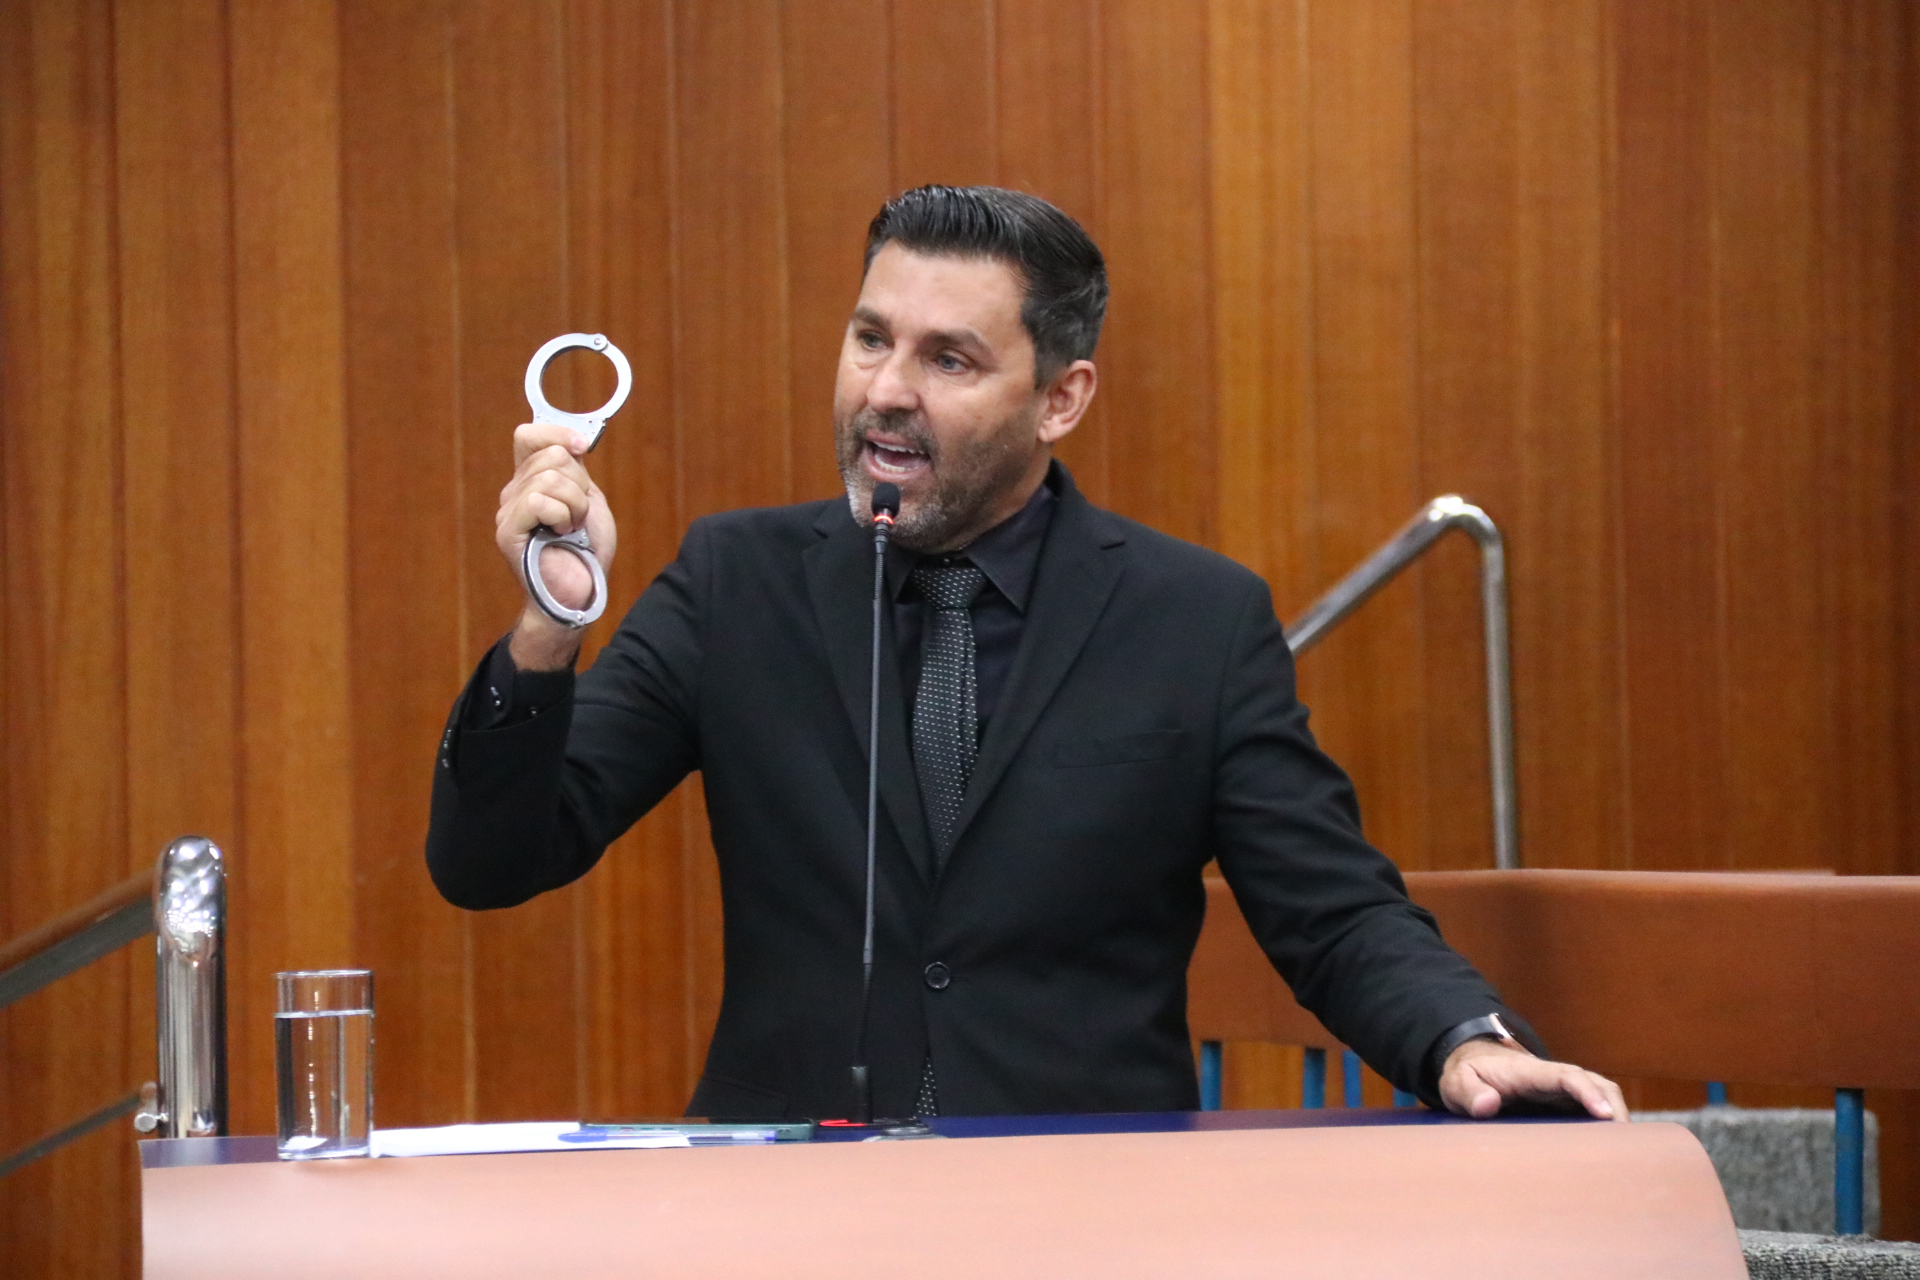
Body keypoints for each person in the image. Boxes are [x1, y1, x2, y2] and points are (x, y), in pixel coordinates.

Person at [427, 185, 1626, 1125]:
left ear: (1061, 398)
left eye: (948, 359)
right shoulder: (736, 582)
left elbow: (1333, 910)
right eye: (869, 338)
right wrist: (551, 623)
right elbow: (491, 861)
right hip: (795, 1208)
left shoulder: (1195, 620)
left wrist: (1463, 1040)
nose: (886, 391)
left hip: (1088, 1207)